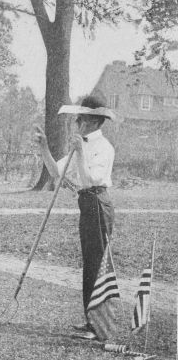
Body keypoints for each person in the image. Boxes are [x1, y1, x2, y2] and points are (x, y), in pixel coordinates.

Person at [34, 95, 117, 340]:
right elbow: (55, 172)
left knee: (97, 262)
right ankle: (90, 319)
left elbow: (91, 180)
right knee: (89, 262)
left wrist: (80, 152)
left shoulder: (103, 148)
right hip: (86, 203)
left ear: (92, 121)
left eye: (80, 119)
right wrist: (44, 147)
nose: (76, 122)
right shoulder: (81, 143)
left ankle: (98, 325)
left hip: (99, 203)